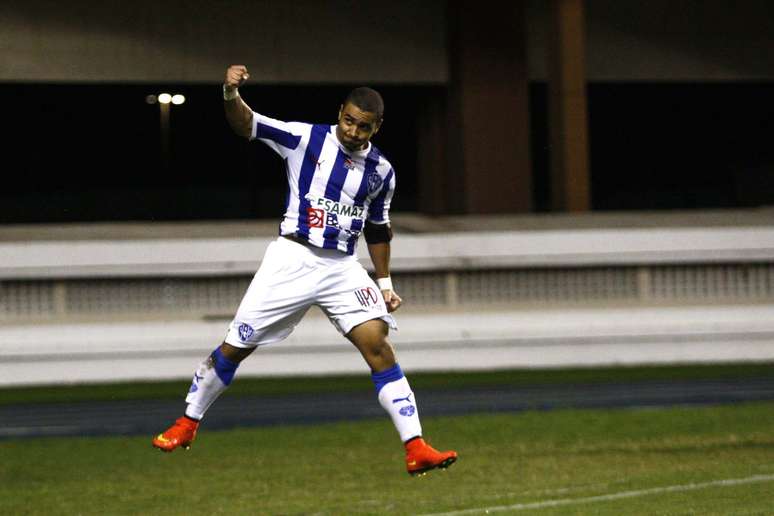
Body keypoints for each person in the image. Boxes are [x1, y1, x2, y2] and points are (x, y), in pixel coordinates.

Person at [152, 65, 457, 476]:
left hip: (342, 268)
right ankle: (188, 422)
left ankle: (416, 446)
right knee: (236, 346)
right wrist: (229, 93)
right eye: (348, 121)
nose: (352, 131)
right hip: (291, 260)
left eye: (363, 127)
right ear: (340, 113)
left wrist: (383, 282)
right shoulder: (304, 138)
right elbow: (248, 125)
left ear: (377, 128)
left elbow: (378, 227)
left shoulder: (382, 171)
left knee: (379, 345)